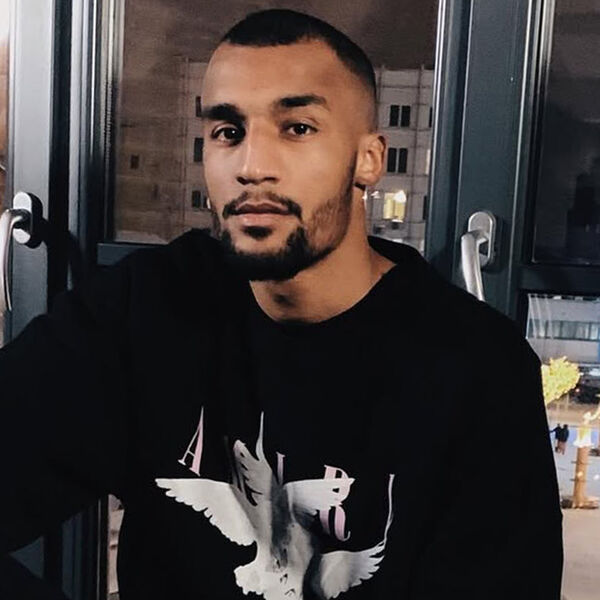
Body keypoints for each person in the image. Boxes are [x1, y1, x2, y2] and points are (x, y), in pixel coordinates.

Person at [0, 9, 563, 600]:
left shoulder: (477, 370)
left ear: (369, 160)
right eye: (228, 132)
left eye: (297, 128)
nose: (252, 167)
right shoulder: (146, 307)